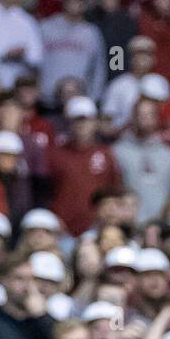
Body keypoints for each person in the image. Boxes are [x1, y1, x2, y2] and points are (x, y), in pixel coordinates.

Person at [47, 97, 122, 236]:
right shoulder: (55, 154)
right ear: (68, 123)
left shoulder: (105, 154)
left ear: (94, 122)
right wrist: (53, 218)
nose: (82, 124)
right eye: (77, 120)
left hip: (97, 230)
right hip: (62, 230)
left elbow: (114, 190)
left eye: (86, 119)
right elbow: (45, 193)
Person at [113, 98, 170, 226]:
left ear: (157, 119)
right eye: (140, 114)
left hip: (162, 227)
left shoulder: (169, 155)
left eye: (149, 114)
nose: (145, 118)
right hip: (128, 225)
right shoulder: (117, 152)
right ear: (133, 118)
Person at [39, 0, 107, 106]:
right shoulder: (46, 27)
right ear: (64, 1)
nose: (75, 3)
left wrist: (92, 99)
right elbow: (34, 63)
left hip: (79, 102)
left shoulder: (91, 32)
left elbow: (99, 69)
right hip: (47, 101)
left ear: (86, 4)